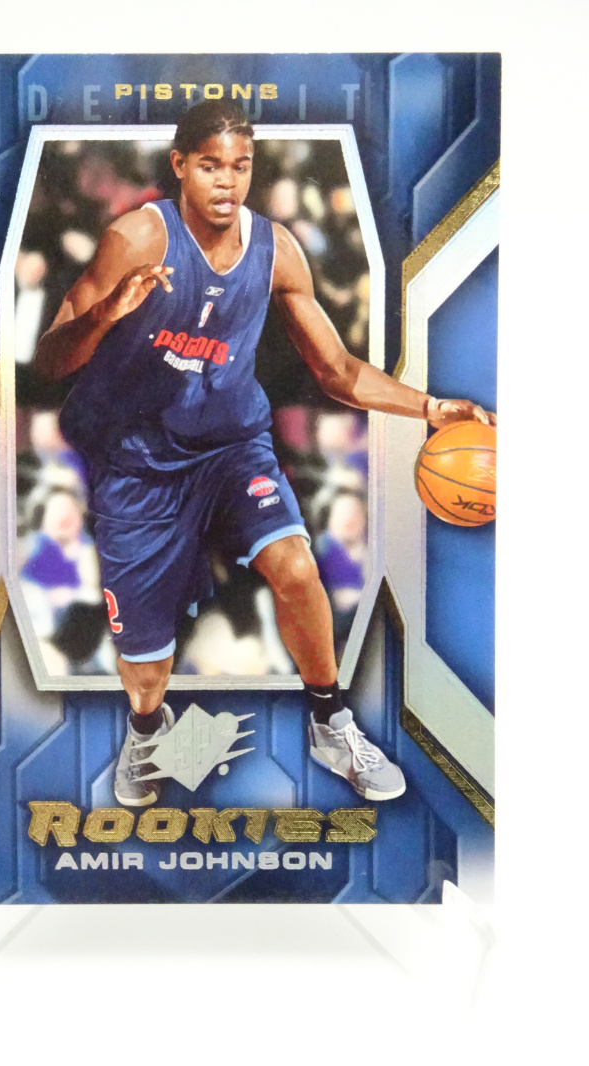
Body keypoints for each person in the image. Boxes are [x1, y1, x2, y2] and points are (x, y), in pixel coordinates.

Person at [32, 100, 495, 808]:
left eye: (240, 166)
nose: (227, 181)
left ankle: (330, 721)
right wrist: (106, 314)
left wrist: (431, 409)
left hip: (231, 447)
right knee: (147, 672)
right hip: (138, 462)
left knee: (297, 568)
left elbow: (337, 371)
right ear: (179, 166)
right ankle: (147, 733)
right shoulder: (137, 238)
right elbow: (49, 361)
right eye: (210, 165)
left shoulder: (276, 250)